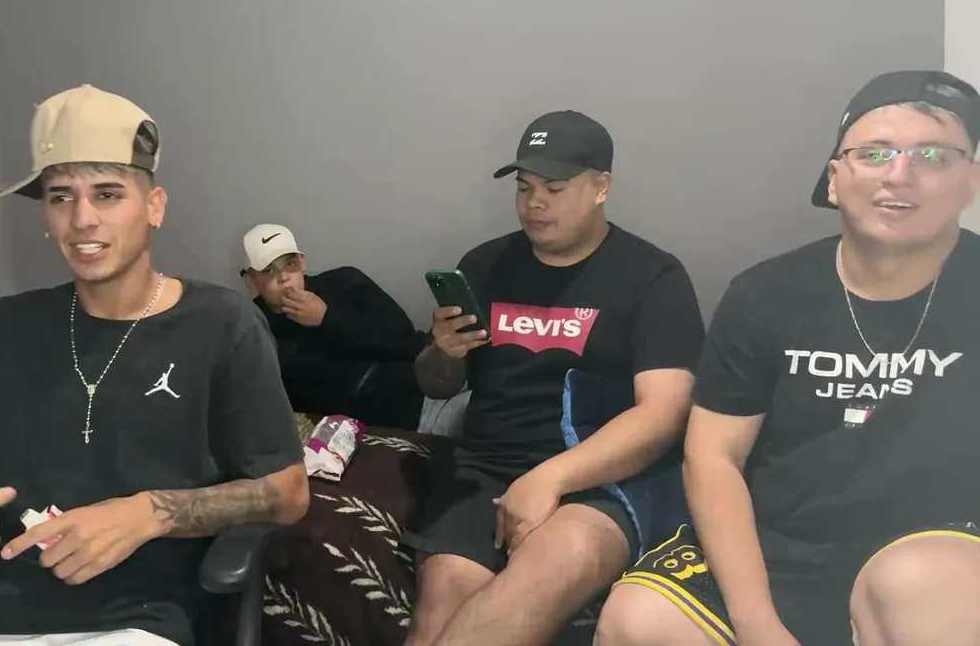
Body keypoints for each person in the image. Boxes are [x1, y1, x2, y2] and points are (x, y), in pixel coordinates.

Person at [0, 84, 310, 646]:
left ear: (154, 206)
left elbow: (288, 492)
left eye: (108, 194)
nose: (82, 219)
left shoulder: (223, 324)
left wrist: (147, 514)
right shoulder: (8, 325)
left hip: (133, 622)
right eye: (61, 197)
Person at [594, 70, 980, 646]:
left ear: (971, 180)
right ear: (834, 180)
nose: (900, 174)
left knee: (914, 586)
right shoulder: (765, 294)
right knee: (638, 622)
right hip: (782, 545)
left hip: (942, 544)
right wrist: (757, 624)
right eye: (874, 153)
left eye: (933, 155)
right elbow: (713, 457)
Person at [399, 110, 706, 645]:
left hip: (602, 473)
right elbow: (437, 386)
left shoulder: (653, 276)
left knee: (539, 577)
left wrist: (550, 479)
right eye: (525, 188)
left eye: (555, 188)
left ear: (601, 186)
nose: (534, 203)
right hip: (489, 464)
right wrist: (444, 353)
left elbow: (665, 414)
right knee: (443, 596)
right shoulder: (485, 264)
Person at [241, 223, 426, 430]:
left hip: (417, 395)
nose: (283, 277)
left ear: (302, 263)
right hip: (351, 429)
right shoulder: (250, 327)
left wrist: (328, 317)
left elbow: (405, 340)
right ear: (251, 281)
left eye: (290, 263)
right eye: (268, 270)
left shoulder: (346, 283)